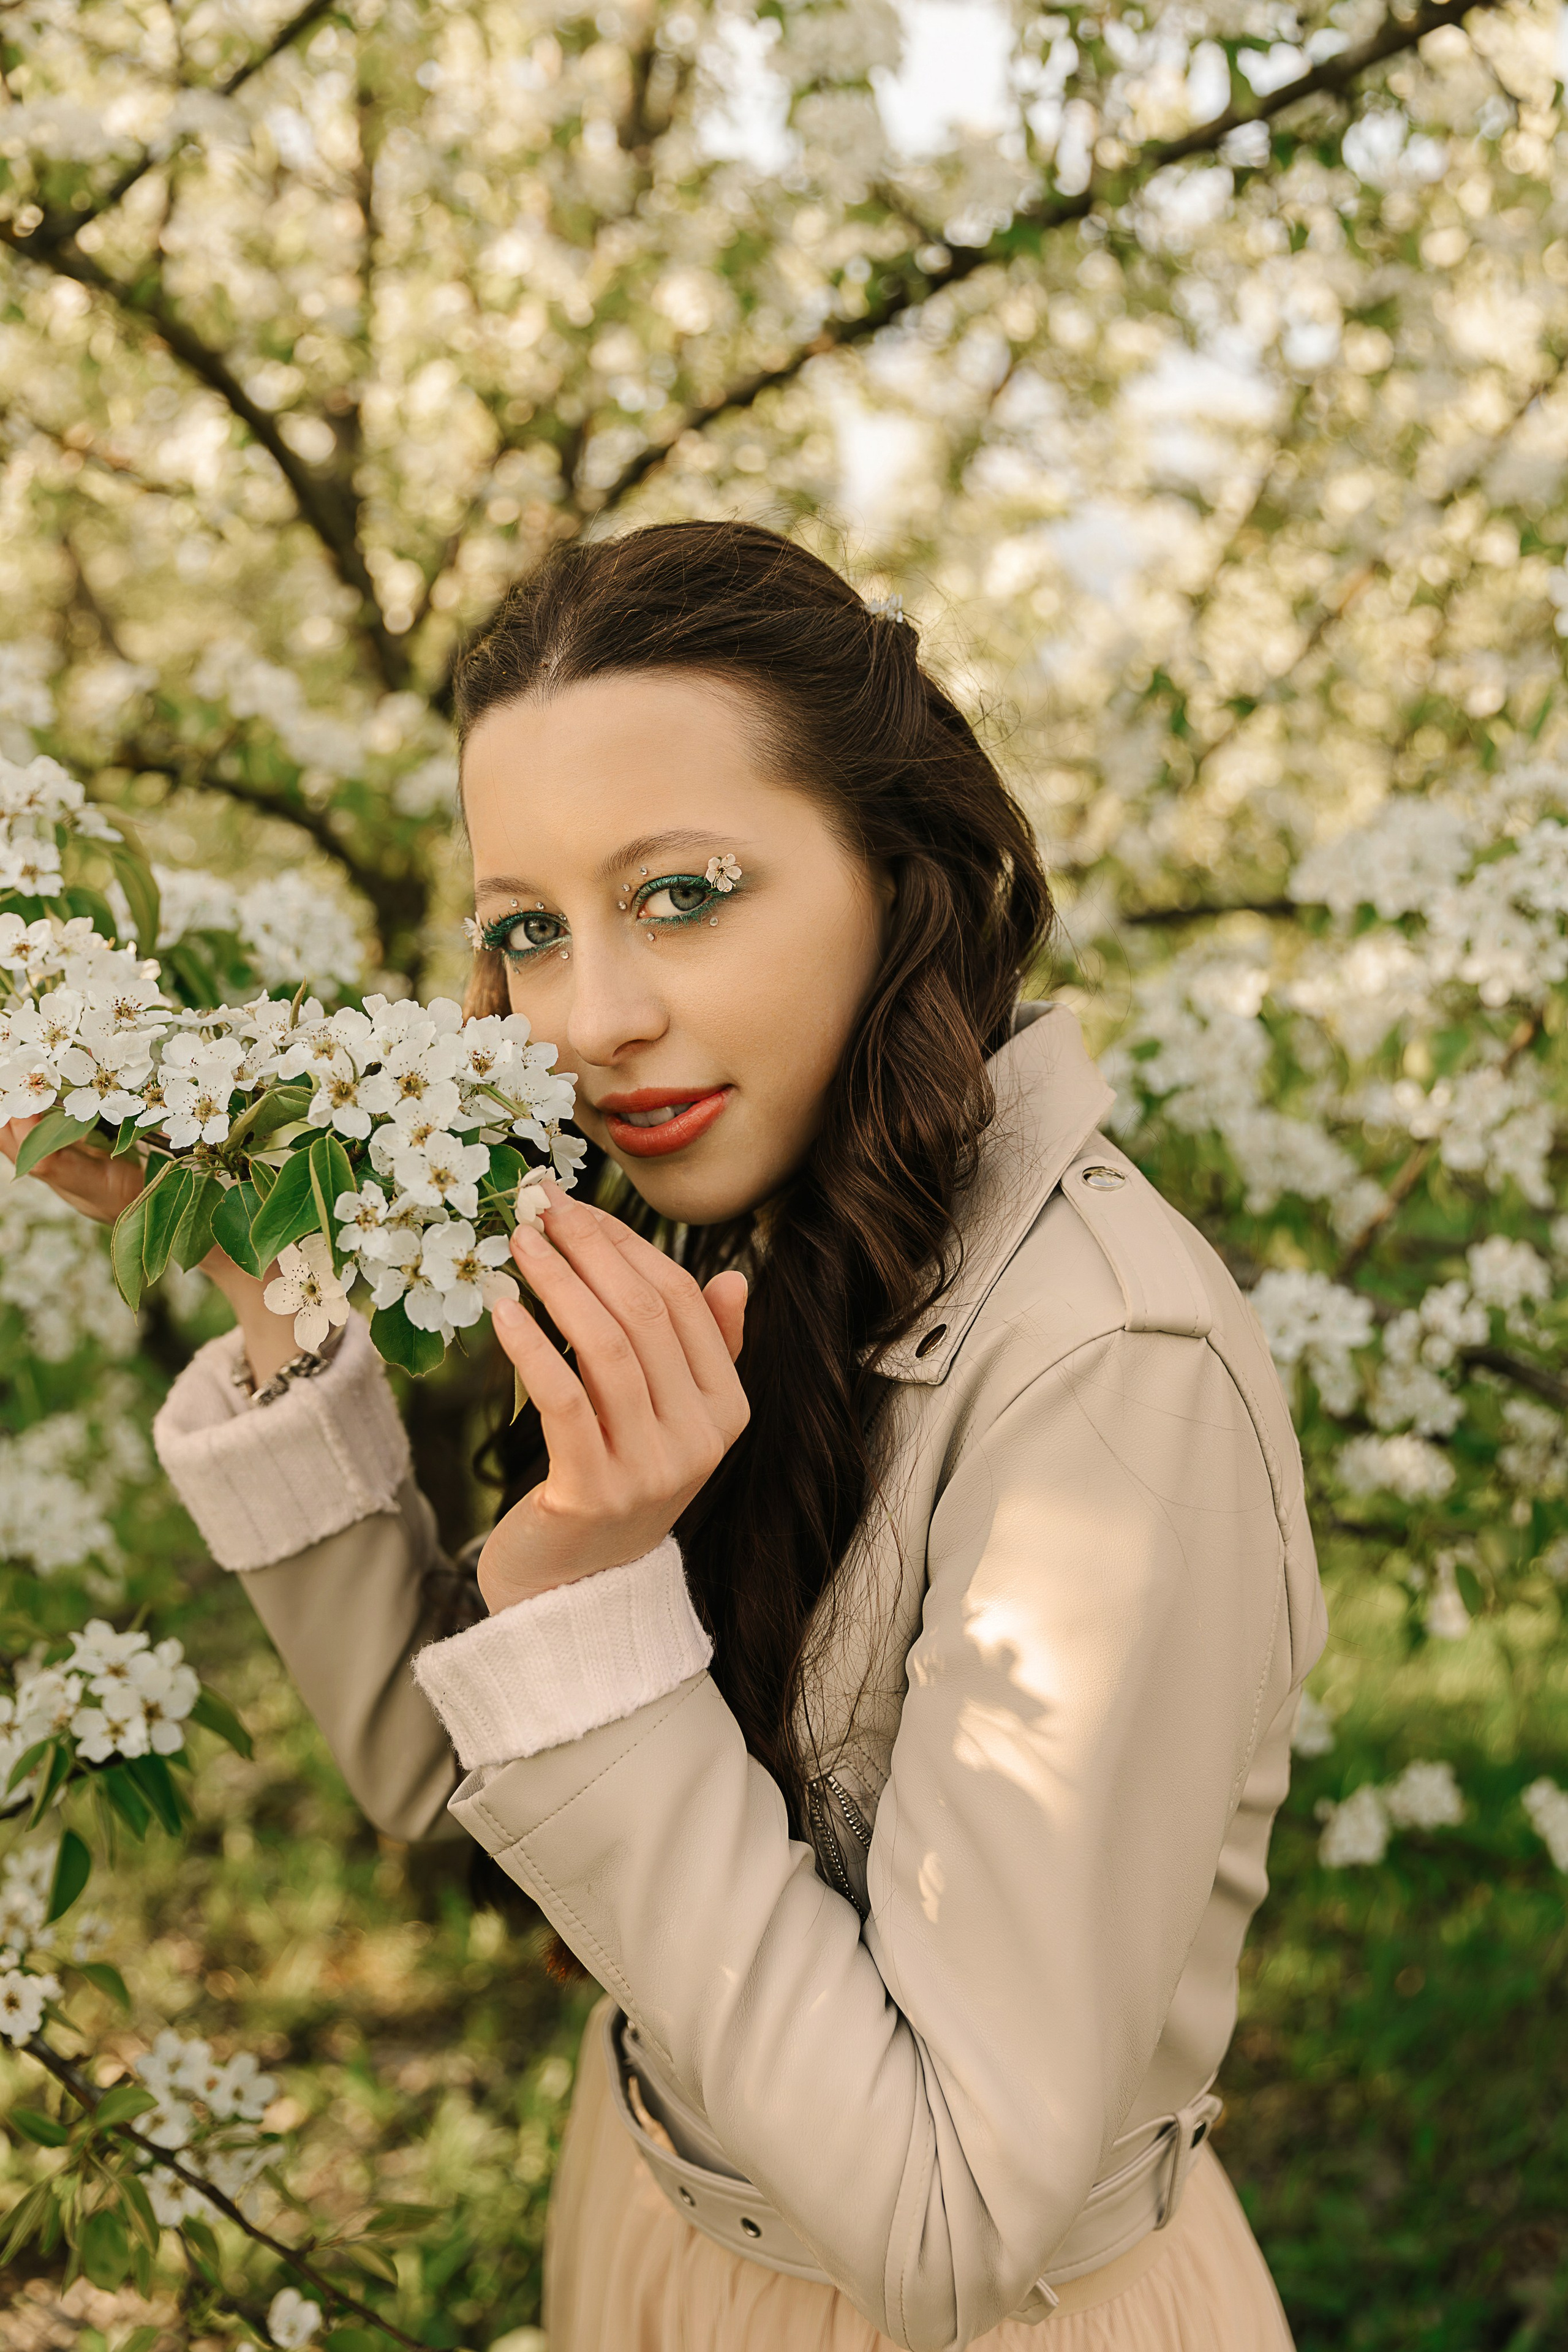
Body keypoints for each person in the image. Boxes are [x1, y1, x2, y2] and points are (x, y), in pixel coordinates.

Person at [7, 521, 1321, 2351]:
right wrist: (277, 1296)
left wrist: (584, 1583)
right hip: (641, 2234)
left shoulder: (1108, 1367)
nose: (597, 1022)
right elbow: (444, 1781)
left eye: (686, 894)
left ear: (896, 867)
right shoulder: (728, 1215)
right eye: (527, 931)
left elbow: (948, 2230)